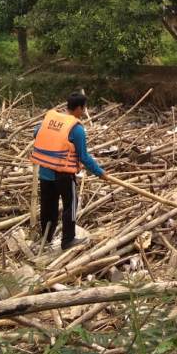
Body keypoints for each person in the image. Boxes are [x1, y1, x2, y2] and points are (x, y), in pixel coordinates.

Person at [31, 91, 104, 251]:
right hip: (63, 174)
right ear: (79, 108)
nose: (84, 112)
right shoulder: (76, 129)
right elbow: (83, 157)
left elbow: (36, 133)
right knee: (70, 205)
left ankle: (46, 239)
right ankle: (68, 240)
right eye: (84, 109)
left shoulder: (49, 121)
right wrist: (100, 172)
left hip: (45, 172)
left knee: (47, 207)